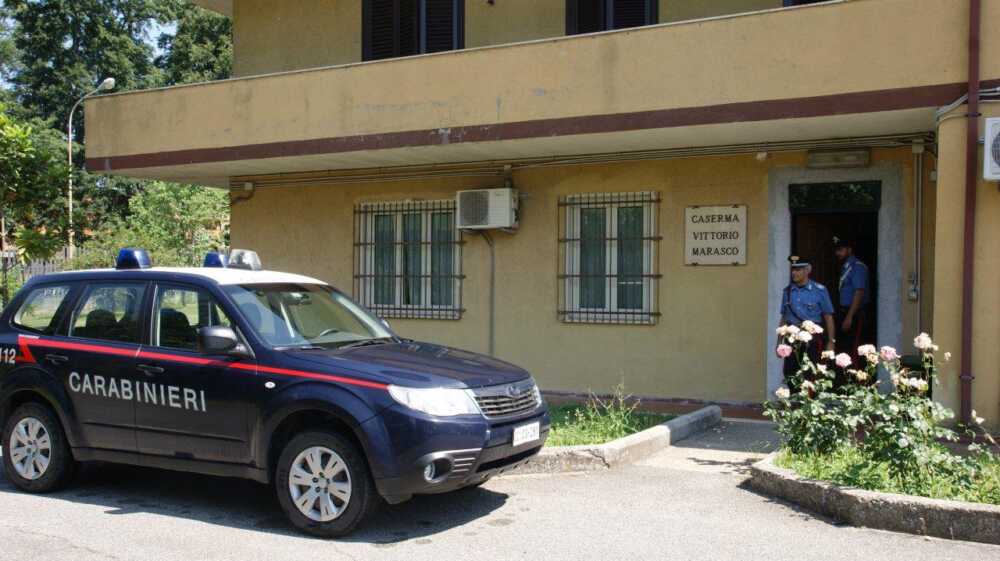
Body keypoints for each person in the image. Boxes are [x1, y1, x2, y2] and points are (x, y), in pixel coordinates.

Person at [778, 256, 836, 388]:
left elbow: (828, 317)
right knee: (789, 372)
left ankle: (809, 405)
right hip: (792, 338)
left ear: (807, 270)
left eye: (798, 269)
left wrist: (831, 342)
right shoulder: (787, 291)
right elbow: (784, 318)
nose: (794, 273)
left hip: (813, 339)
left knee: (811, 372)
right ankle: (794, 404)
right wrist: (779, 342)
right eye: (793, 269)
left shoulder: (820, 290)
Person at [832, 236, 869, 364]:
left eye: (841, 250)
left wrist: (849, 316)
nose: (838, 253)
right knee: (844, 349)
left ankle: (856, 381)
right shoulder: (845, 266)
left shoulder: (857, 266)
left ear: (849, 250)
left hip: (854, 313)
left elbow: (859, 292)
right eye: (837, 250)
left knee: (854, 350)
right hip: (844, 312)